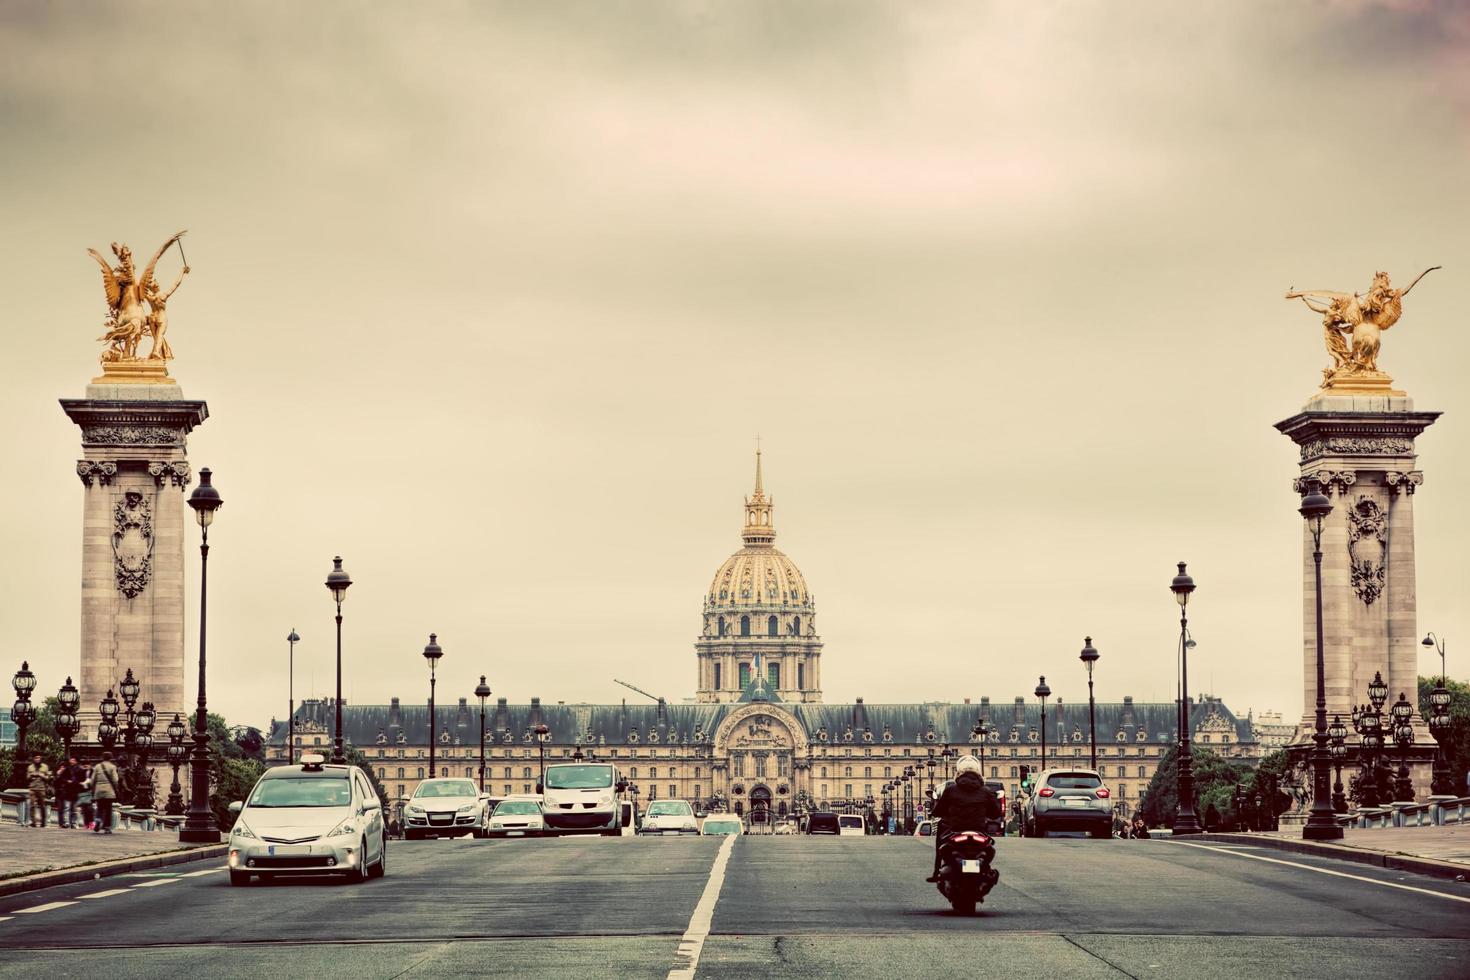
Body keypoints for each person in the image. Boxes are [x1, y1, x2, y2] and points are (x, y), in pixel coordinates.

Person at [926, 754, 1000, 882]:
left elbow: (938, 811)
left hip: (956, 831)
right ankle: (986, 872)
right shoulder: (986, 791)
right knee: (990, 850)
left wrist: (937, 812)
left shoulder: (950, 790)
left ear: (958, 772)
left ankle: (936, 872)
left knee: (941, 846)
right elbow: (995, 813)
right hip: (978, 832)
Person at [91, 751, 122, 834]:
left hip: (99, 790)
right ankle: (107, 827)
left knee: (99, 807)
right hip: (109, 790)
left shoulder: (97, 766)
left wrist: (94, 787)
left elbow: (92, 779)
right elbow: (115, 780)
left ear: (102, 757)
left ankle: (97, 821)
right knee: (108, 809)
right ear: (110, 758)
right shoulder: (112, 767)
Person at [56, 756, 86, 829]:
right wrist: (67, 781)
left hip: (75, 791)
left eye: (73, 760)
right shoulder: (67, 769)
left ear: (76, 761)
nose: (71, 761)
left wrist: (76, 783)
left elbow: (82, 780)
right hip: (68, 790)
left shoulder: (80, 770)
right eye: (71, 759)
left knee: (74, 808)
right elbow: (62, 778)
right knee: (67, 807)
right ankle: (66, 822)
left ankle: (74, 823)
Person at [26, 753, 52, 828]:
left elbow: (48, 778)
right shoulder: (30, 767)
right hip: (32, 788)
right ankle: (33, 822)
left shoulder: (45, 767)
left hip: (41, 788)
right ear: (33, 759)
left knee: (42, 806)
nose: (37, 759)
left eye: (39, 758)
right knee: (32, 805)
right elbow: (27, 778)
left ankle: (43, 822)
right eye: (36, 758)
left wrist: (42, 775)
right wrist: (31, 775)